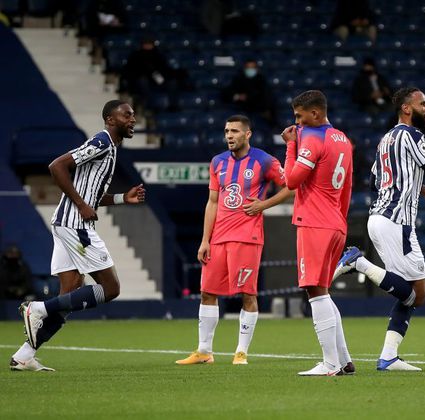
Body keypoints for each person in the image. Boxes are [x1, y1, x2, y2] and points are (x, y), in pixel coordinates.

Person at [11, 100, 145, 372]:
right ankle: (37, 308)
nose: (133, 120)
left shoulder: (111, 148)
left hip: (66, 224)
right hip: (75, 225)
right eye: (127, 115)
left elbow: (92, 196)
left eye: (133, 116)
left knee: (70, 293)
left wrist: (121, 198)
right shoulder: (102, 142)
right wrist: (82, 206)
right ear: (110, 119)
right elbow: (57, 166)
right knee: (111, 289)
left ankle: (24, 356)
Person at [333, 87, 425, 371]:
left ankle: (388, 356)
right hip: (397, 222)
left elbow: (374, 181)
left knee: (413, 295)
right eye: (423, 104)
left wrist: (416, 186)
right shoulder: (413, 135)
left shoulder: (386, 140)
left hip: (381, 218)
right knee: (417, 295)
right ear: (407, 108)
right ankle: (359, 262)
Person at [175, 115, 292, 366]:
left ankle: (241, 352)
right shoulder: (217, 162)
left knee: (247, 294)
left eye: (235, 131)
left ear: (247, 134)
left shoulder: (264, 160)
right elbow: (213, 202)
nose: (229, 135)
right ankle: (204, 351)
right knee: (207, 292)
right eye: (227, 131)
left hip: (247, 237)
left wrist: (264, 205)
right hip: (218, 238)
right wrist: (205, 239)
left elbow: (290, 186)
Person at [280, 90, 355, 376]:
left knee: (315, 291)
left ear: (315, 113)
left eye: (299, 116)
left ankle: (330, 364)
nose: (296, 123)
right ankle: (344, 360)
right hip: (335, 221)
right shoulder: (344, 140)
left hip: (314, 222)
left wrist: (290, 146)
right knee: (322, 291)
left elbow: (291, 180)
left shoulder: (311, 137)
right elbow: (347, 187)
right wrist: (340, 220)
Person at [120, 37, 188, 110]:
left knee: (172, 82)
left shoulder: (158, 55)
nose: (148, 45)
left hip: (157, 79)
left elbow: (164, 69)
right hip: (142, 80)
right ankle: (147, 108)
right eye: (146, 43)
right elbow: (131, 70)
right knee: (143, 81)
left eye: (149, 43)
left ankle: (173, 106)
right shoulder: (136, 55)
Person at [222, 59, 275, 126]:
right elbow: (226, 94)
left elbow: (263, 96)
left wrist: (248, 97)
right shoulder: (238, 80)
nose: (250, 70)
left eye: (252, 68)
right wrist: (237, 96)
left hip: (258, 111)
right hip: (240, 109)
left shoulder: (261, 80)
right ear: (244, 69)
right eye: (248, 68)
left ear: (257, 69)